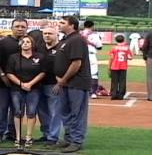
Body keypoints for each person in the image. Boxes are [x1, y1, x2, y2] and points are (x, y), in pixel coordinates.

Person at [53, 15, 91, 153]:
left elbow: (76, 63)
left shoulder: (77, 40)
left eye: (62, 22)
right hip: (66, 83)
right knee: (66, 112)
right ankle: (69, 139)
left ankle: (76, 141)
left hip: (77, 82)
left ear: (72, 25)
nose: (59, 24)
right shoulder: (65, 40)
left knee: (77, 113)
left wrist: (63, 80)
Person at [0, 18, 28, 142]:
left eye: (23, 27)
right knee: (1, 108)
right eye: (17, 26)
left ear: (26, 29)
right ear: (12, 28)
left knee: (18, 110)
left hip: (22, 83)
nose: (20, 29)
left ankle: (12, 133)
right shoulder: (4, 42)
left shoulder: (29, 42)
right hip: (5, 82)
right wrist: (2, 74)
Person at [6, 36, 46, 147]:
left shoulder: (39, 57)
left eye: (28, 42)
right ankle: (18, 137)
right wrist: (21, 84)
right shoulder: (13, 57)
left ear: (32, 44)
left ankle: (29, 137)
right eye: (22, 42)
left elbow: (43, 72)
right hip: (17, 88)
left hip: (34, 88)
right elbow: (9, 72)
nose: (25, 43)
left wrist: (30, 84)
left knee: (31, 112)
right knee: (18, 112)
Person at [36, 26, 62, 145]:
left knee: (54, 112)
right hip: (39, 84)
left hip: (54, 85)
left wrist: (60, 83)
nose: (47, 35)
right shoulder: (39, 48)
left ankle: (53, 137)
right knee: (42, 111)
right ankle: (46, 134)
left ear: (57, 34)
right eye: (45, 33)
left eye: (50, 33)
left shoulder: (61, 48)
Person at [28, 19, 50, 142]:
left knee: (39, 109)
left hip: (37, 83)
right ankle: (49, 135)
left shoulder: (37, 54)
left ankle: (49, 134)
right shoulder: (43, 52)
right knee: (45, 109)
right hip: (41, 83)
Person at [81, 20, 103, 99]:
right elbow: (99, 47)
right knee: (94, 74)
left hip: (81, 55)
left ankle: (82, 91)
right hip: (91, 55)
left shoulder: (80, 34)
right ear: (92, 26)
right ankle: (93, 92)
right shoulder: (95, 35)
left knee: (81, 73)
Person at [108, 34, 133, 100]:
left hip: (114, 66)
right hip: (123, 66)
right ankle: (121, 95)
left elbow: (111, 58)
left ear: (116, 40)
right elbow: (130, 57)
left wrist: (109, 67)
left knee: (114, 81)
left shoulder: (114, 48)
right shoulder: (127, 48)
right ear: (123, 40)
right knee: (122, 81)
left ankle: (114, 94)